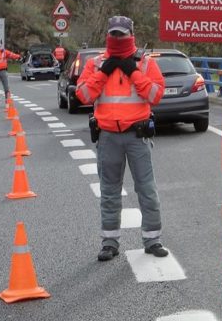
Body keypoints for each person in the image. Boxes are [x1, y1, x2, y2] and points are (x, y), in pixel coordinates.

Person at [75, 15, 168, 261]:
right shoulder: (96, 64)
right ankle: (109, 242)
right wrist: (104, 73)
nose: (117, 38)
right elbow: (83, 95)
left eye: (121, 34)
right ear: (108, 34)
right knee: (109, 191)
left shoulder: (145, 63)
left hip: (137, 136)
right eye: (113, 33)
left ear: (130, 35)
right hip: (108, 137)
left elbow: (156, 94)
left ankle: (152, 240)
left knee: (146, 190)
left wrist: (134, 72)